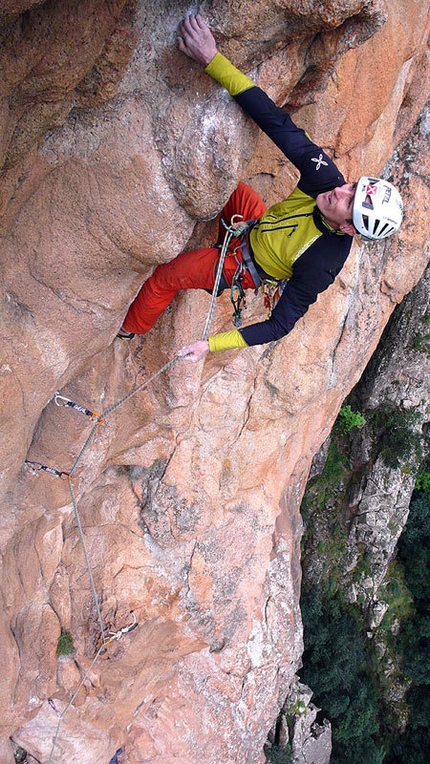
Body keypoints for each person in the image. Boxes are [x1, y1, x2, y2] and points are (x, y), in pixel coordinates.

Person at [118, 14, 403, 362]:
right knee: (219, 183)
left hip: (244, 264)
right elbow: (275, 121)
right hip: (258, 223)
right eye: (354, 186)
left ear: (347, 227)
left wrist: (211, 345)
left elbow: (280, 325)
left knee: (166, 276)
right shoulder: (326, 178)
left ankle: (129, 328)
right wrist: (212, 59)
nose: (340, 191)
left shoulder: (323, 262)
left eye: (348, 203)